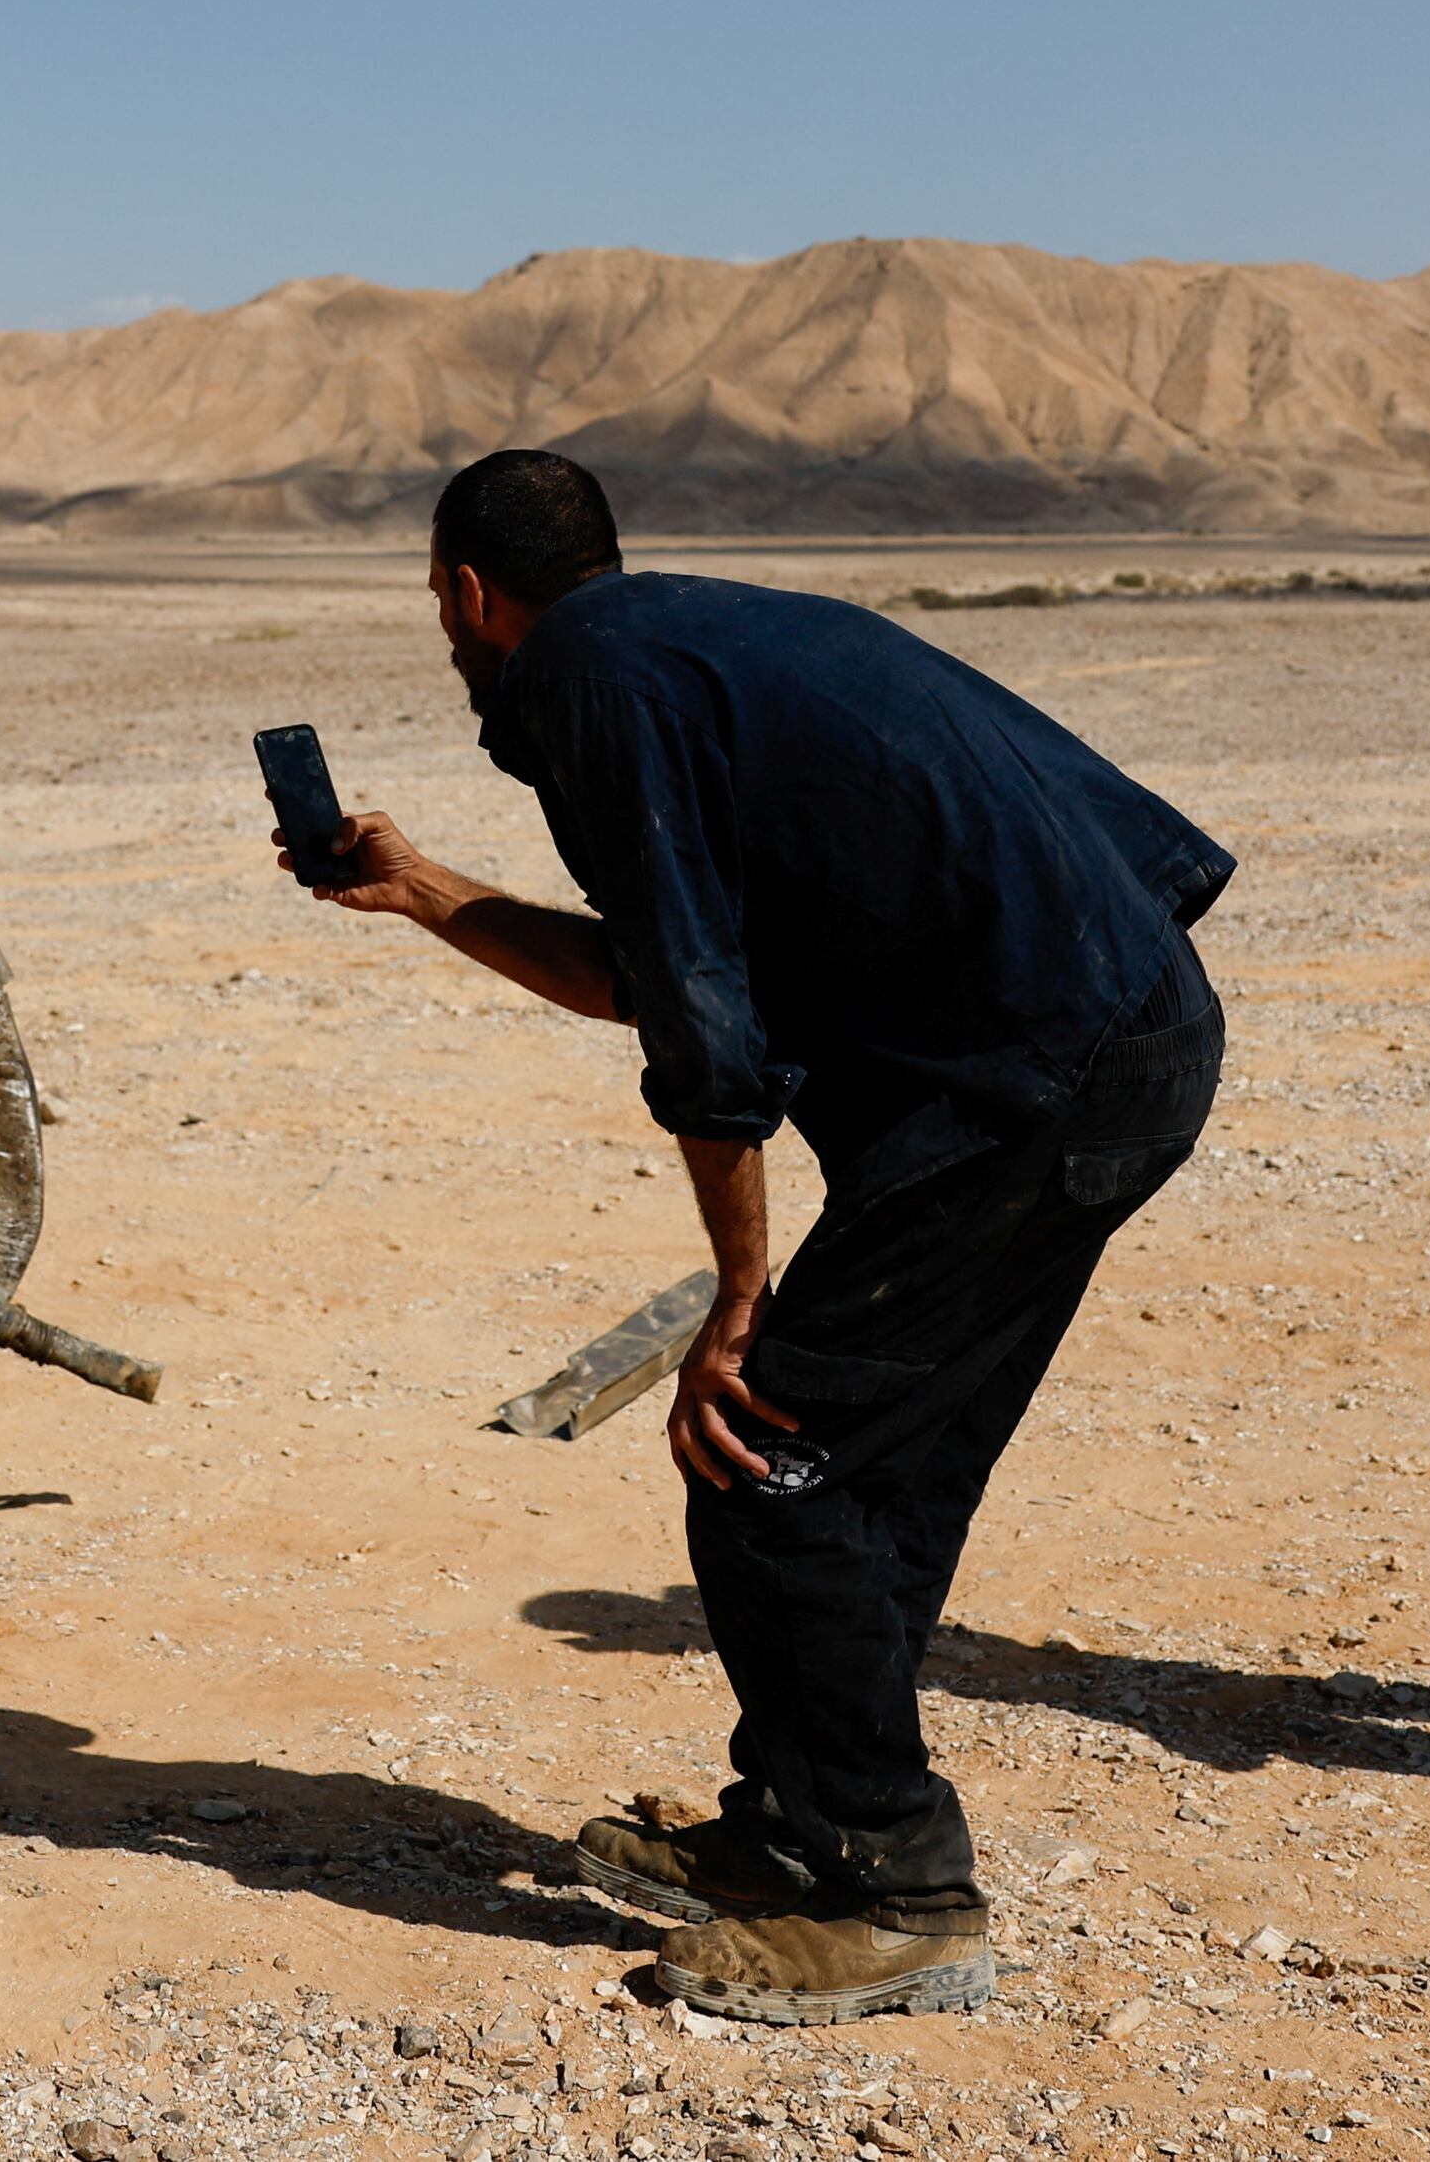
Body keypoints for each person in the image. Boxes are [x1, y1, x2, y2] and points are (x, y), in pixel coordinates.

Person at [298, 451, 1236, 2026]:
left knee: (764, 1451)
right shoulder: (698, 634)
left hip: (1037, 1078)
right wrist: (425, 891)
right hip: (1096, 1038)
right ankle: (804, 1825)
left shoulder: (587, 687)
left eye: (442, 607)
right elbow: (660, 969)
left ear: (467, 593)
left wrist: (736, 1296)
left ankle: (903, 1897)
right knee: (880, 1459)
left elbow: (706, 1039)